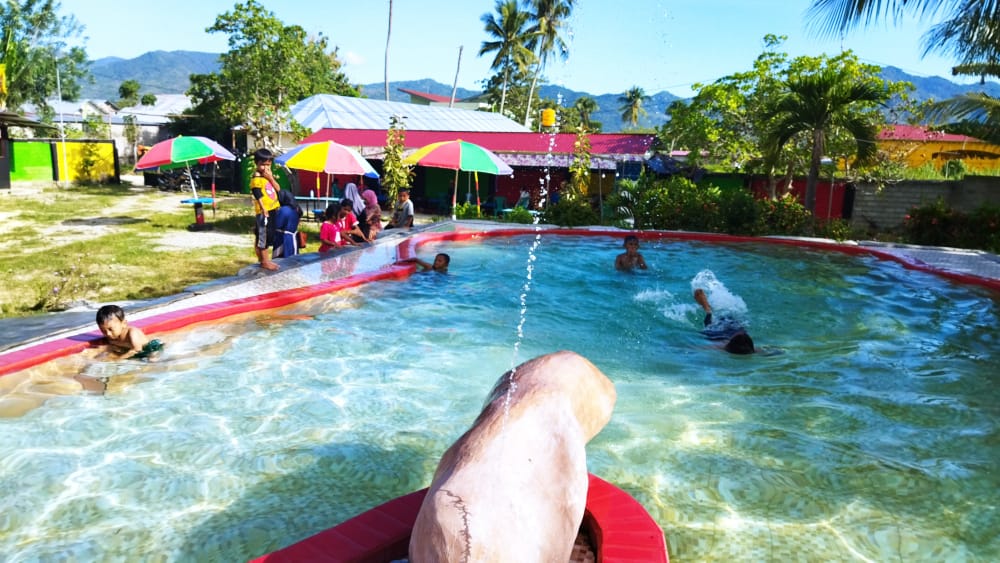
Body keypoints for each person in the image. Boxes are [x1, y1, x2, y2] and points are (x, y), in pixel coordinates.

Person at [693, 288, 755, 354]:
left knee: (728, 320)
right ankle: (707, 309)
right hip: (719, 334)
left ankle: (707, 308)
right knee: (709, 326)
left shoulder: (748, 348)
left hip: (734, 331)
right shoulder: (719, 347)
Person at [250, 148, 281, 271]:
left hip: (272, 209)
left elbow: (278, 189)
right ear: (257, 163)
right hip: (264, 211)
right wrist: (264, 209)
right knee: (264, 236)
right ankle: (265, 262)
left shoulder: (267, 177)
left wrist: (271, 178)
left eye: (268, 164)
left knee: (269, 234)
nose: (265, 167)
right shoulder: (256, 178)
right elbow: (258, 195)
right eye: (262, 164)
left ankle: (263, 259)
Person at [95, 304, 163, 360]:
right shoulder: (111, 336)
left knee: (152, 359)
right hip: (132, 351)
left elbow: (137, 350)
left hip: (150, 349)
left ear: (124, 323)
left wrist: (119, 359)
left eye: (111, 329)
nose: (108, 333)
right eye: (103, 330)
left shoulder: (132, 333)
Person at [272, 189, 303, 258]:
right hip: (292, 236)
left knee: (281, 259)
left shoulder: (283, 210)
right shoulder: (296, 209)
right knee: (292, 258)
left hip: (283, 238)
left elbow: (278, 224)